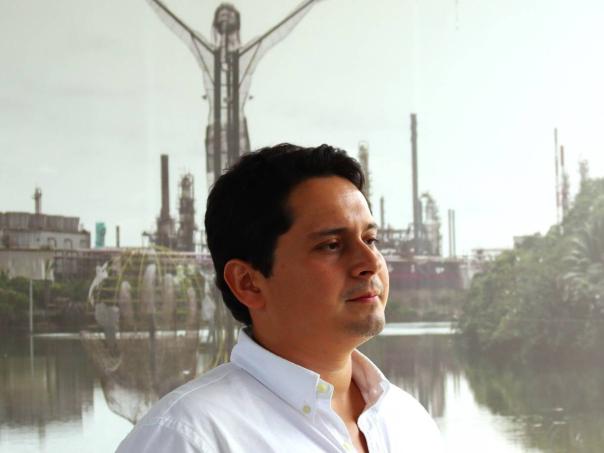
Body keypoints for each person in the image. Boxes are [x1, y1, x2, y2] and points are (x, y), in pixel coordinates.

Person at [117, 144, 444, 452]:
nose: (371, 262)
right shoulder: (187, 436)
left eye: (370, 240)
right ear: (248, 283)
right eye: (331, 245)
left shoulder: (407, 422)